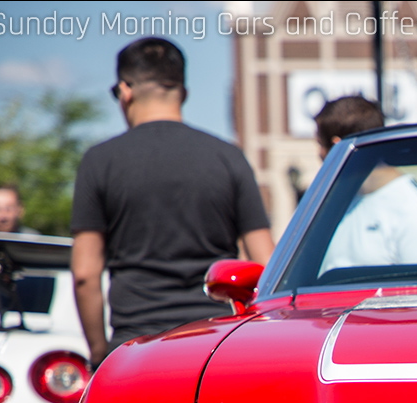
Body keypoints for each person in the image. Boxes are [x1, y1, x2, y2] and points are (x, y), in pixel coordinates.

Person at [71, 37, 273, 368]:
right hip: (215, 346)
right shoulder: (228, 158)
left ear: (125, 91)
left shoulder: (99, 161)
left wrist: (98, 350)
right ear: (184, 92)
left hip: (134, 347)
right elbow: (265, 263)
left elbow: (85, 274)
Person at [314, 96, 417, 273]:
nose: (318, 155)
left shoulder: (414, 208)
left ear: (337, 146)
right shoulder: (328, 205)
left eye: (319, 145)